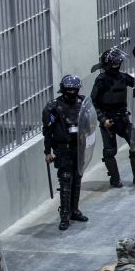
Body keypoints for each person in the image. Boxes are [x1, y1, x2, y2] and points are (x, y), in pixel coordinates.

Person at [91, 48, 135, 188]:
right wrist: (102, 119)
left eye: (118, 62)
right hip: (108, 121)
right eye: (114, 62)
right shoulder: (101, 80)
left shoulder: (122, 76)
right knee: (110, 151)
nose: (117, 64)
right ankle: (115, 179)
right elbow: (93, 102)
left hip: (123, 118)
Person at [42, 74, 92, 230]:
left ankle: (74, 210)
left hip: (79, 147)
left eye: (74, 89)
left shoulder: (83, 103)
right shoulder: (53, 108)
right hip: (63, 149)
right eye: (68, 89)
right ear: (63, 89)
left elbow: (89, 123)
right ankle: (64, 215)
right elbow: (47, 131)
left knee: (77, 179)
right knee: (65, 180)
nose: (71, 92)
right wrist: (47, 152)